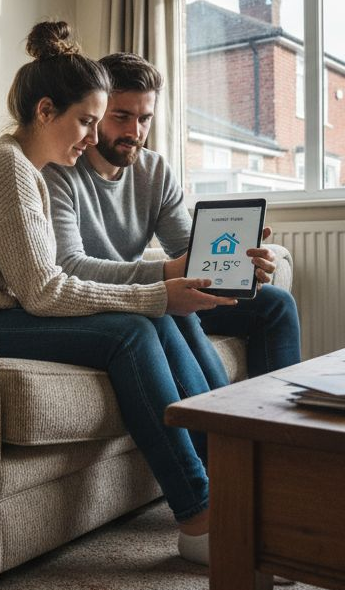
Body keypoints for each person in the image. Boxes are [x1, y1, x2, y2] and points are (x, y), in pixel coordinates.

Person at [0, 21, 233, 564]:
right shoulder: (6, 169)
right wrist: (156, 294)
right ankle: (199, 516)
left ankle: (227, 476)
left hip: (8, 309)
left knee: (159, 318)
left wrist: (162, 298)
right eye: (86, 121)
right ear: (46, 111)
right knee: (133, 332)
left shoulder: (26, 167)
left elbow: (43, 283)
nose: (92, 139)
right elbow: (45, 292)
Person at [42, 52, 302, 386]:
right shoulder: (58, 170)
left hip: (146, 291)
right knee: (171, 310)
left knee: (275, 305)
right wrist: (166, 275)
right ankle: (217, 412)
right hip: (96, 300)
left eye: (145, 118)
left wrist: (241, 262)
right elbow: (68, 267)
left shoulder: (154, 170)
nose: (135, 131)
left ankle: (274, 417)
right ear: (96, 111)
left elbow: (187, 249)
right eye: (121, 116)